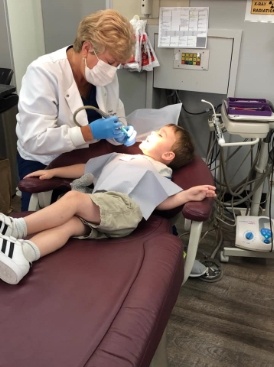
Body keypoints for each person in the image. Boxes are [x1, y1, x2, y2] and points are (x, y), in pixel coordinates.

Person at [0, 124, 216, 285]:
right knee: (68, 226)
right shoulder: (119, 157)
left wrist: (186, 195)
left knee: (74, 199)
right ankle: (24, 254)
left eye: (160, 134)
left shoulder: (158, 168)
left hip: (123, 209)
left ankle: (15, 227)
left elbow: (161, 201)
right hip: (101, 210)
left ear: (168, 155)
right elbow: (85, 169)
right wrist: (54, 172)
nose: (152, 133)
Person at [16, 9, 136, 210]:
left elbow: (115, 114)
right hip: (44, 161)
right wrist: (88, 132)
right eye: (111, 62)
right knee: (41, 220)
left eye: (118, 64)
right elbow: (34, 139)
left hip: (84, 160)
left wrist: (121, 132)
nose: (113, 70)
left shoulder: (104, 75)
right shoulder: (43, 72)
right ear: (87, 48)